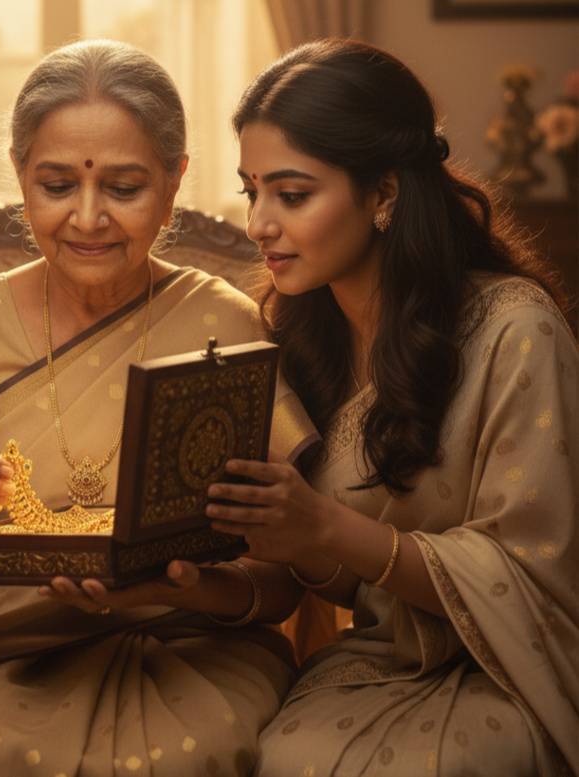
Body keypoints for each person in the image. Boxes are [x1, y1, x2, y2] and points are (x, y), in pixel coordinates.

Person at [0, 39, 320, 777]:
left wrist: (185, 584)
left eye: (124, 187)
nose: (87, 218)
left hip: (192, 648)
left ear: (175, 182)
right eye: (56, 186)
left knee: (195, 754)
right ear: (20, 177)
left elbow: (278, 579)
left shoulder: (225, 320)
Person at [204, 39, 578, 776]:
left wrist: (324, 525)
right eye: (252, 191)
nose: (258, 224)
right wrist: (287, 539)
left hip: (512, 671)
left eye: (292, 193)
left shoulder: (513, 328)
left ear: (382, 195)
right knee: (281, 753)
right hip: (374, 662)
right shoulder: (294, 333)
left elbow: (535, 580)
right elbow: (347, 587)